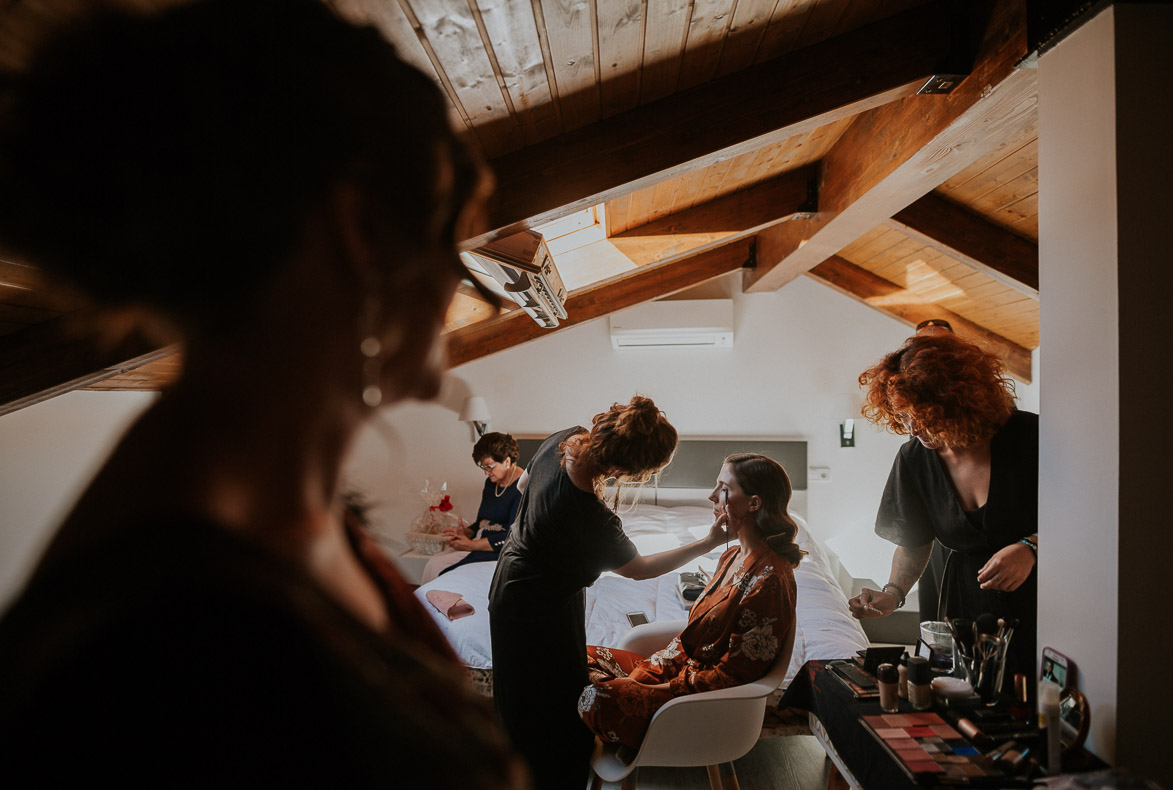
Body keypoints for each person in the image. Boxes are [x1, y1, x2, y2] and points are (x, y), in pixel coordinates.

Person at [0, 1, 525, 786]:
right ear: (360, 231)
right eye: (447, 231)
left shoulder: (288, 508)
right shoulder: (167, 658)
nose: (457, 278)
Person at [488, 396, 727, 790]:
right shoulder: (590, 519)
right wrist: (706, 542)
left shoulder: (564, 438)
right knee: (554, 703)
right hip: (538, 607)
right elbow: (639, 569)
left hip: (510, 583)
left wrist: (543, 534)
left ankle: (513, 770)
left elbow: (524, 483)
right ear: (627, 470)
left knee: (518, 696)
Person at [848, 333, 1038, 686]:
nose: (913, 427)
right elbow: (915, 539)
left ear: (959, 402)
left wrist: (1032, 547)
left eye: (922, 414)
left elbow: (1088, 517)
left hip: (1043, 596)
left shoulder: (1032, 437)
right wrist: (892, 594)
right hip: (961, 601)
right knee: (962, 694)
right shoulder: (914, 458)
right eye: (903, 415)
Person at [578, 454, 802, 751]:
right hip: (667, 667)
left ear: (754, 503)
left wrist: (652, 689)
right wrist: (645, 678)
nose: (711, 496)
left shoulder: (771, 581)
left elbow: (732, 676)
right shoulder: (731, 555)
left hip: (692, 699)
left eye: (723, 488)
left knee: (593, 699)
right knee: (572, 657)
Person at [421, 432, 525, 583]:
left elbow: (513, 535)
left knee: (438, 566)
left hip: (496, 549)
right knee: (433, 562)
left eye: (489, 467)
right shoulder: (491, 483)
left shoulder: (522, 487)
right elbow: (481, 521)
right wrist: (467, 532)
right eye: (482, 467)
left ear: (507, 461)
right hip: (478, 541)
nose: (485, 472)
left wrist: (470, 544)